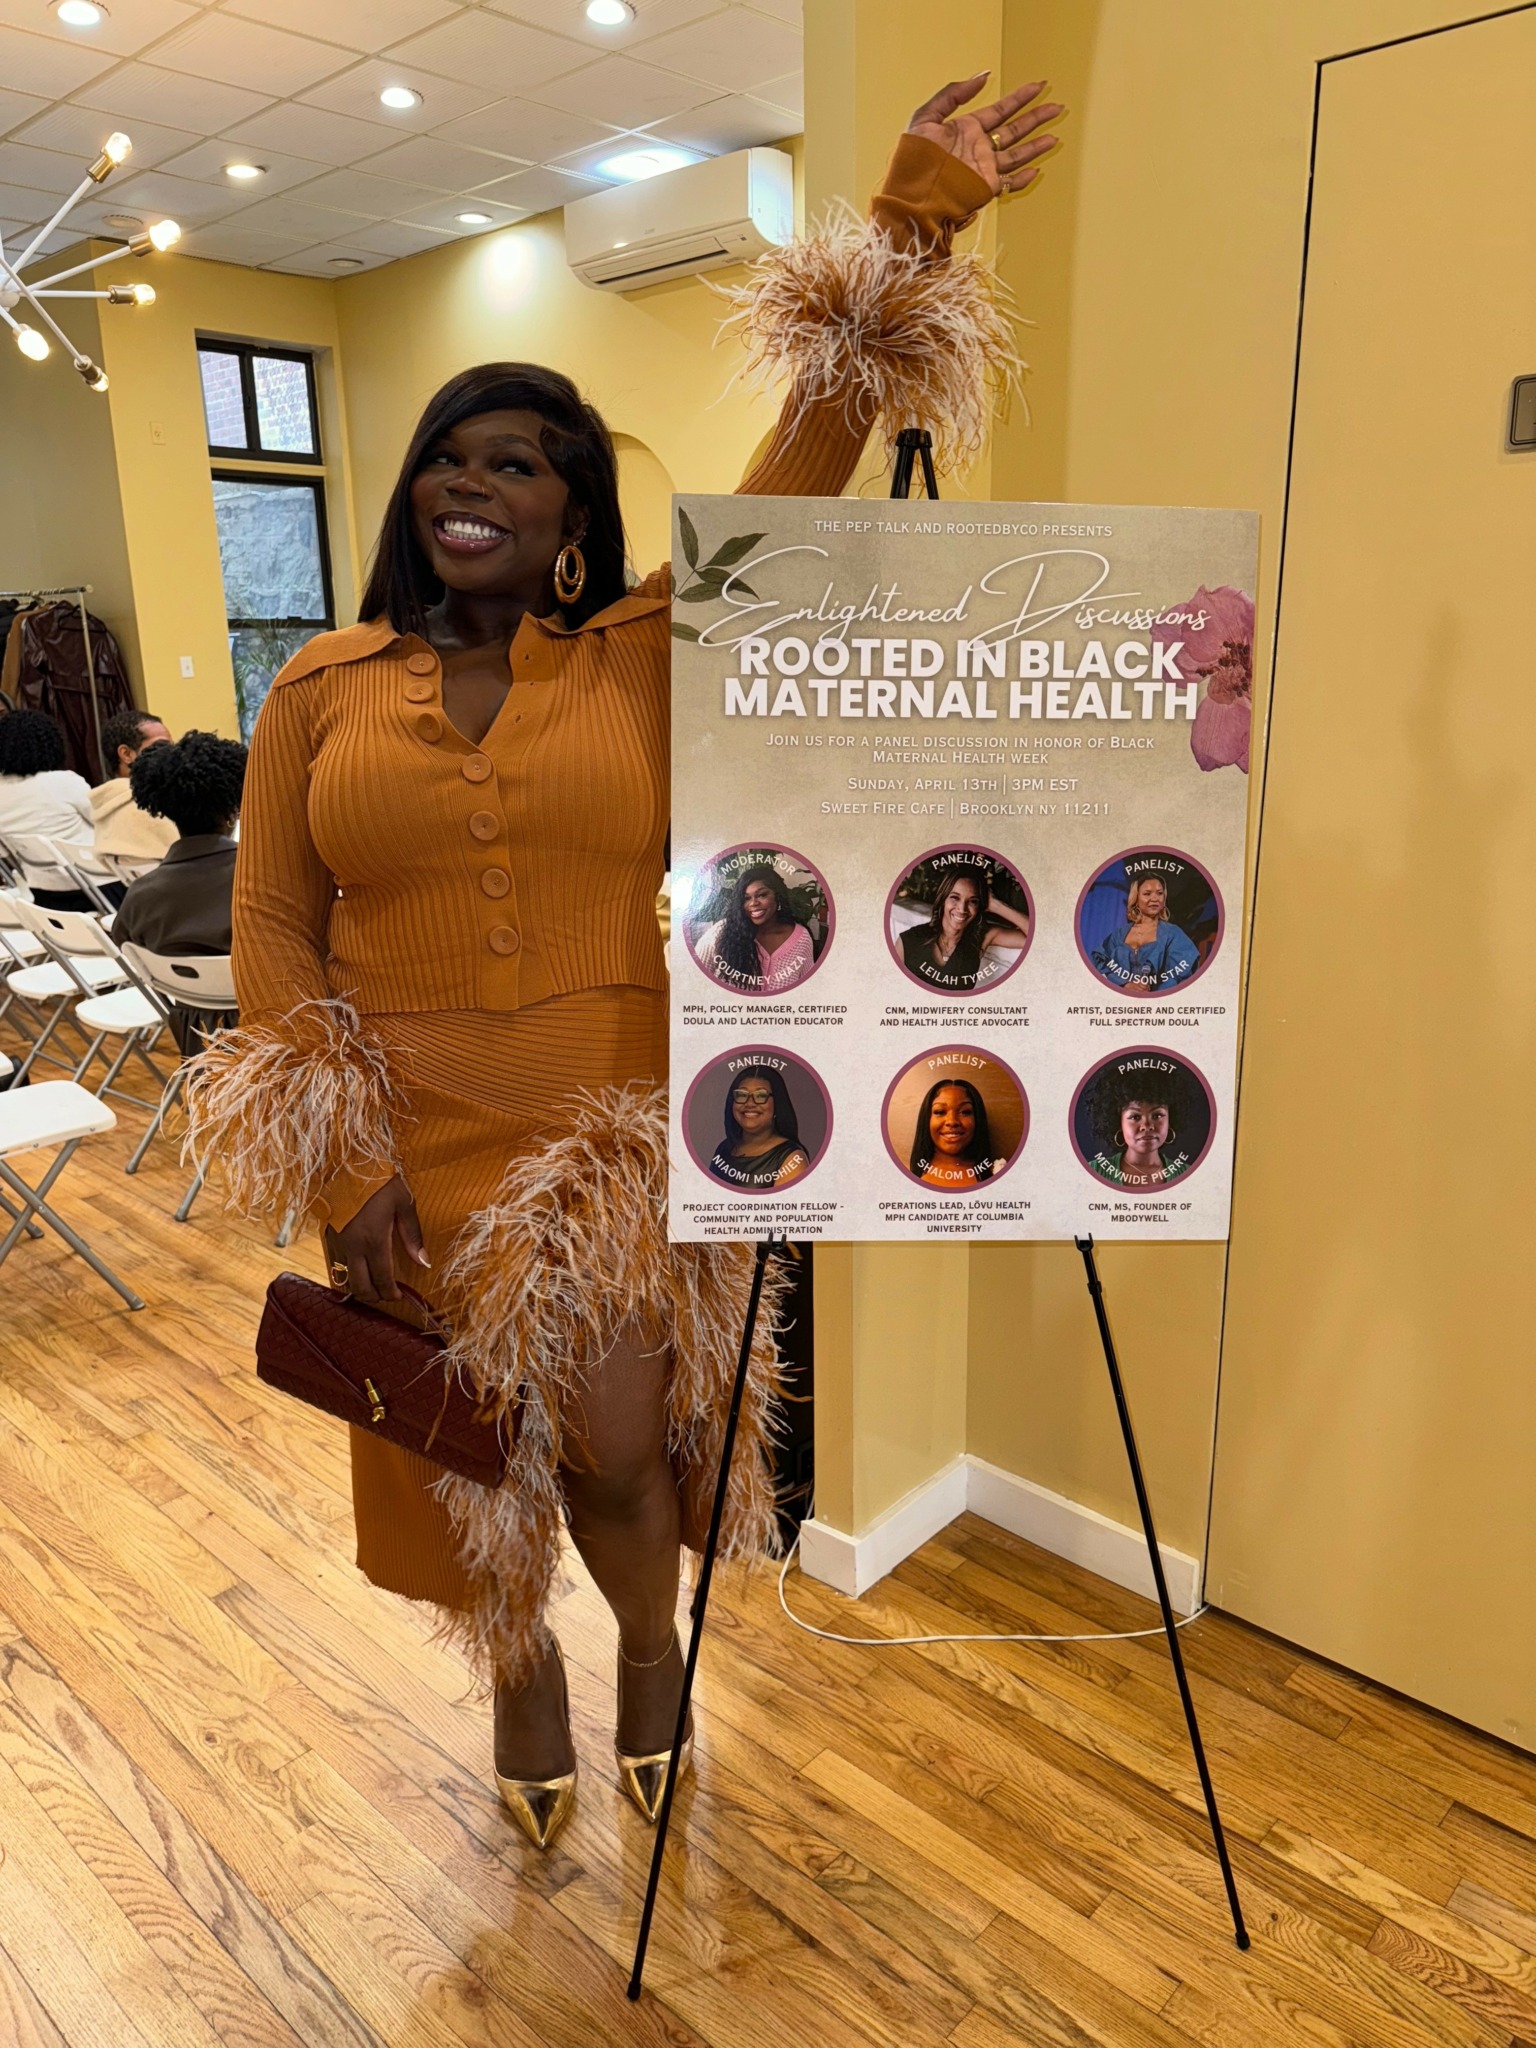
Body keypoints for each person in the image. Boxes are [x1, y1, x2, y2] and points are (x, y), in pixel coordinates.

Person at [185, 71, 1063, 1853]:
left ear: (570, 515)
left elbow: (808, 453)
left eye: (516, 461)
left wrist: (914, 221)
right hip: (405, 1145)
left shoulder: (649, 650)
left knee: (614, 1447)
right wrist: (344, 1168)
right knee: (460, 1449)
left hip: (612, 1138)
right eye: (449, 454)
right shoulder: (319, 689)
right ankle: (520, 1673)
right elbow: (272, 924)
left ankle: (648, 1651)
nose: (471, 480)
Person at [112, 731, 245, 1054]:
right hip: (282, 1031)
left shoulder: (141, 895)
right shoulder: (262, 879)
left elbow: (124, 942)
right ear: (233, 811)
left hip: (199, 1043)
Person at [0, 708, 95, 908]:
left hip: (43, 894)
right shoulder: (65, 782)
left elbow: (4, 853)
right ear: (52, 744)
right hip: (97, 886)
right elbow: (103, 823)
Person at [898, 864, 1029, 990]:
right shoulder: (908, 941)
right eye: (955, 898)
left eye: (972, 901)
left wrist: (996, 905)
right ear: (943, 899)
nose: (962, 909)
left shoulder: (981, 937)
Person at [694, 863, 818, 992]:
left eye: (762, 895)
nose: (753, 903)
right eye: (746, 898)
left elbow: (808, 990)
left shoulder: (801, 939)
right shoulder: (720, 932)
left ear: (778, 896)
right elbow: (694, 978)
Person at [92, 707, 177, 869]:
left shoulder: (106, 805)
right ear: (126, 754)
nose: (172, 754)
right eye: (161, 746)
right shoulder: (146, 808)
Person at [1085, 1064, 1195, 1188]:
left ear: (1171, 1118)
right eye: (1135, 1117)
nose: (1147, 1126)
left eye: (1157, 1115)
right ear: (1118, 1122)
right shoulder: (1091, 1172)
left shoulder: (1190, 1175)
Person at [1090, 872, 1199, 995]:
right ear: (1136, 898)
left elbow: (1181, 975)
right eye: (1147, 894)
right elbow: (1101, 962)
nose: (1155, 899)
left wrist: (1149, 992)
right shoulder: (1120, 933)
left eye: (1159, 893)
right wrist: (1124, 984)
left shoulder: (1173, 934)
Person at [707, 1066, 811, 1189]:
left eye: (761, 1096)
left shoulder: (793, 1159)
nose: (750, 1103)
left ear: (777, 1104)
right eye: (742, 1095)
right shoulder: (724, 1148)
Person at [908, 1075, 1004, 1188]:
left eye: (965, 1112)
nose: (952, 1121)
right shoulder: (904, 1178)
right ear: (926, 1119)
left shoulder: (998, 1174)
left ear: (978, 1119)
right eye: (940, 1112)